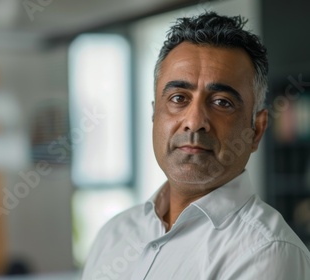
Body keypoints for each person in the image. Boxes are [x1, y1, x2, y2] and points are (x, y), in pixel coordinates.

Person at [82, 12, 310, 279]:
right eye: (179, 98)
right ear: (155, 116)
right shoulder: (114, 234)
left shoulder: (266, 253)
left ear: (256, 130)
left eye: (222, 102)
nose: (194, 122)